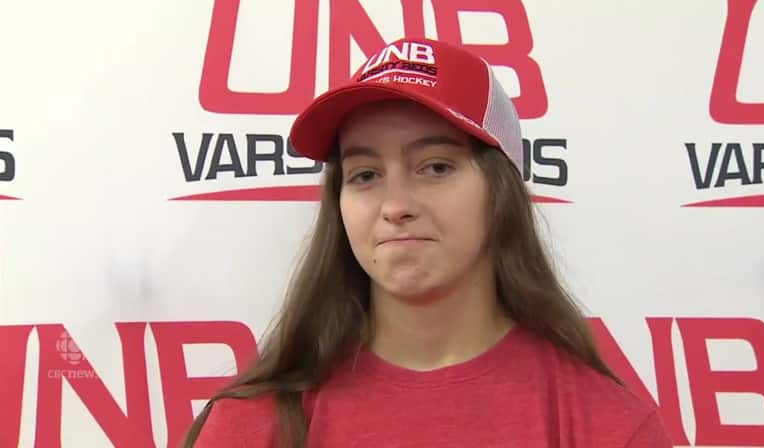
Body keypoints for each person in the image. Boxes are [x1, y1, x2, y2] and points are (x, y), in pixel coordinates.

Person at [180, 38, 673, 447]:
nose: (395, 205)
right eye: (366, 174)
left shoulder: (608, 426)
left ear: (501, 191)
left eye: (435, 166)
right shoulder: (251, 426)